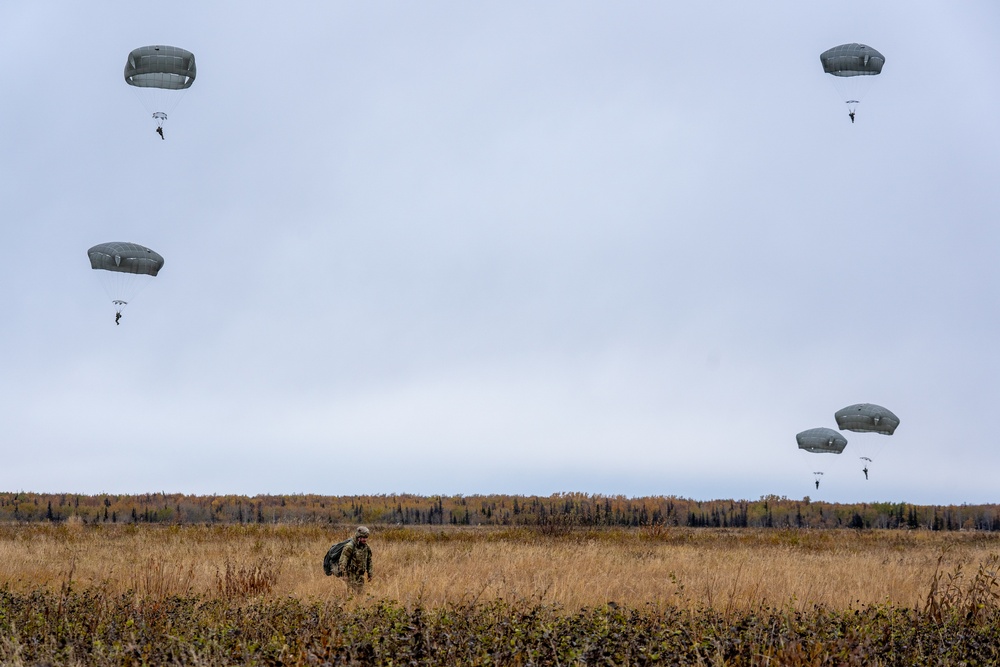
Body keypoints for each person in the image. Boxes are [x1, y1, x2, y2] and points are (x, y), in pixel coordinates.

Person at [339, 526, 372, 594]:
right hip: (351, 575)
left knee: (360, 594)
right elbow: (343, 562)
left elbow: (369, 560)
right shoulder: (349, 547)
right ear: (358, 537)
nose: (365, 539)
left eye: (366, 538)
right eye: (363, 537)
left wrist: (370, 573)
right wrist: (344, 575)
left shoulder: (366, 547)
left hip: (360, 575)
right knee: (351, 594)